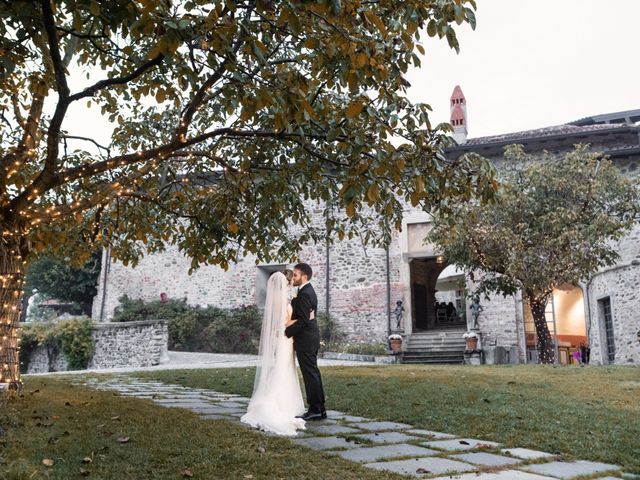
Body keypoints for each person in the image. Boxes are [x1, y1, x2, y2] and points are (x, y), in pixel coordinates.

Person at [241, 269, 306, 436]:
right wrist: (302, 319)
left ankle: (280, 401)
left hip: (285, 340)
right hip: (285, 339)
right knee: (282, 368)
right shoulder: (282, 300)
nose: (291, 284)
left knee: (284, 367)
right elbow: (283, 322)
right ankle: (279, 403)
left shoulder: (278, 298)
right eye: (289, 282)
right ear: (286, 283)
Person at [285, 262, 326, 421]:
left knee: (310, 375)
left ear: (304, 276)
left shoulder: (305, 293)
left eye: (295, 275)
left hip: (306, 340)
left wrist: (286, 332)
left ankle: (316, 409)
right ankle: (320, 409)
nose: (293, 278)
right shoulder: (307, 291)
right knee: (313, 374)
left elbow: (302, 321)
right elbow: (306, 316)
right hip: (310, 338)